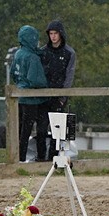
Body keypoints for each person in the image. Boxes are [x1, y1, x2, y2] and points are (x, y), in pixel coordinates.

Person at [10, 25, 49, 163]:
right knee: (36, 130)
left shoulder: (18, 54)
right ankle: (40, 156)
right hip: (32, 100)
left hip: (20, 98)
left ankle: (18, 157)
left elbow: (13, 73)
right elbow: (36, 80)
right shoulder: (32, 57)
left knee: (21, 130)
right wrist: (47, 85)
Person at [39, 19, 77, 161]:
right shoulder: (43, 52)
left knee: (58, 130)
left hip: (60, 96)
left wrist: (63, 97)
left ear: (60, 34)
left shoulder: (69, 53)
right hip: (44, 96)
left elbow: (69, 75)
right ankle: (41, 157)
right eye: (51, 33)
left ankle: (54, 157)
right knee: (42, 128)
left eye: (55, 33)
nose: (53, 36)